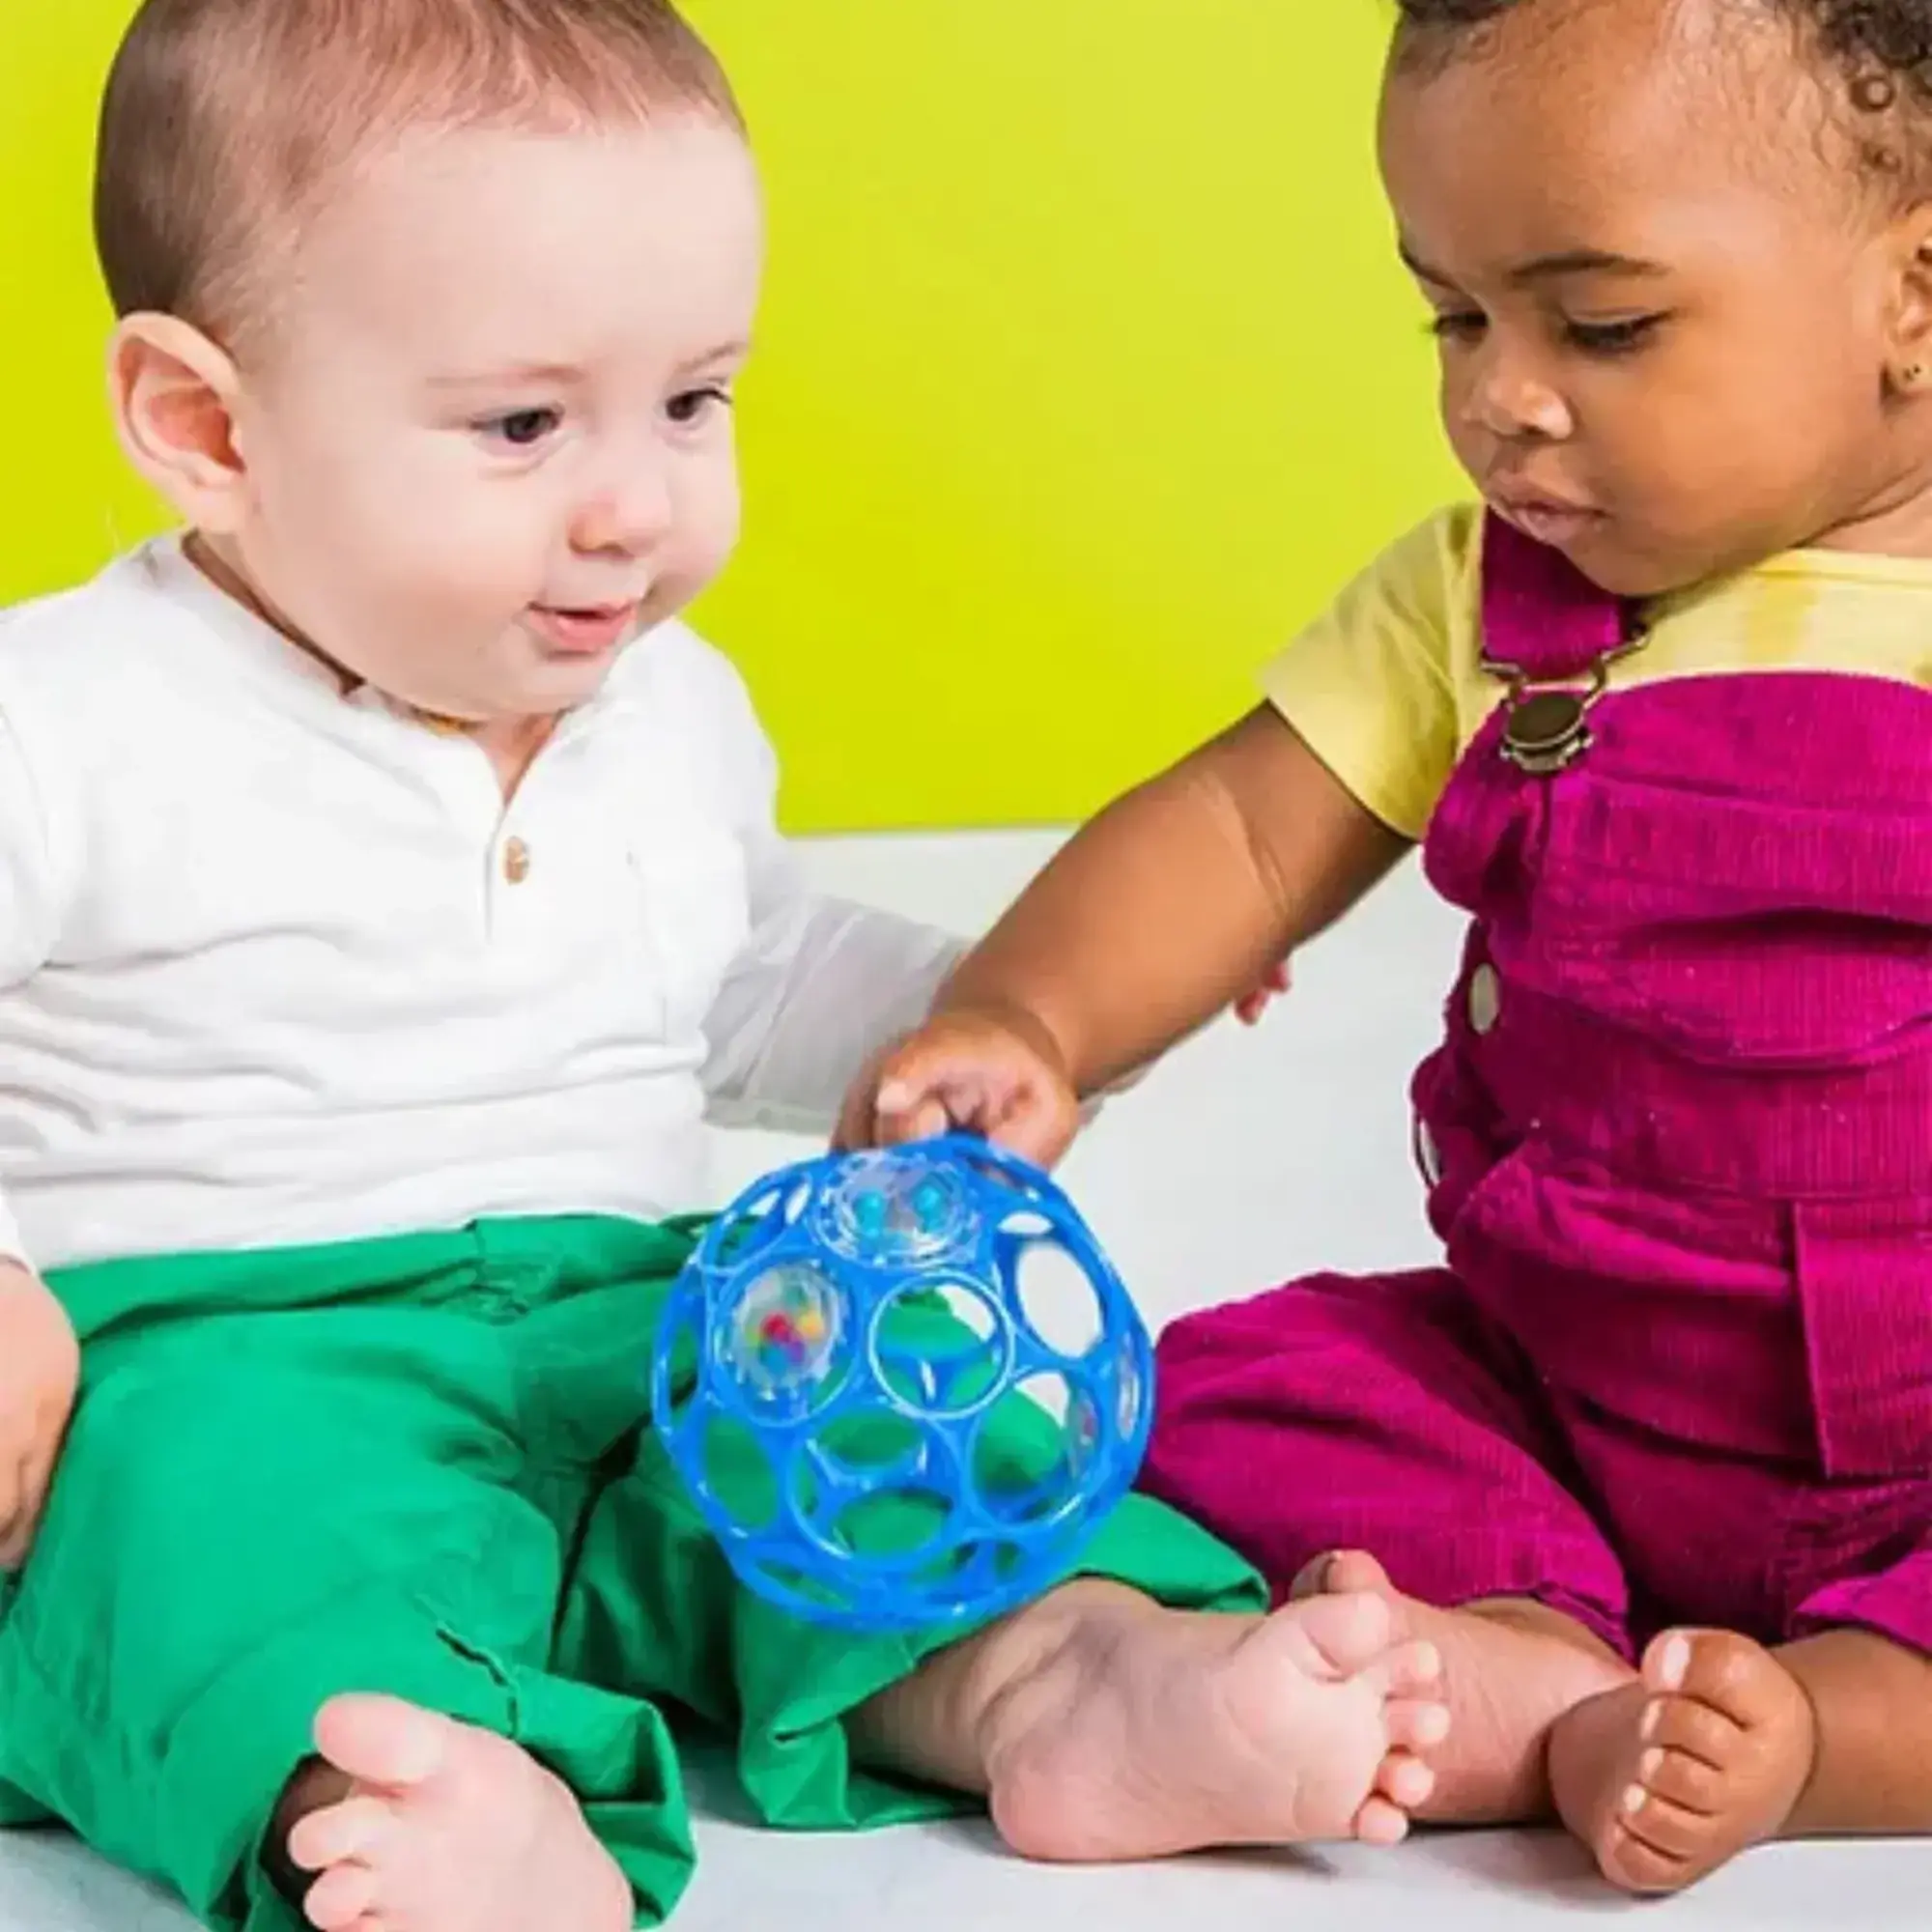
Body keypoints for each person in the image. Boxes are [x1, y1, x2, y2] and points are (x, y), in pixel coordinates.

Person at [0, 4, 1449, 1928]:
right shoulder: (70, 722)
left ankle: (1072, 1675)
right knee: (201, 1536)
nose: (637, 506)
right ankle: (409, 1799)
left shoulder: (665, 705)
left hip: (646, 1327)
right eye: (524, 425)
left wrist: (993, 1018)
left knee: (887, 1416)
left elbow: (739, 979)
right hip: (236, 1343)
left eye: (691, 402)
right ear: (210, 427)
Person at [845, 0, 1932, 1896]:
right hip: (1562, 1392)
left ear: (1913, 292)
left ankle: (1814, 1734)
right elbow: (1240, 828)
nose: (1505, 398)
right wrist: (1030, 1015)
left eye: (1602, 325)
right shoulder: (1490, 613)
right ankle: (1514, 1656)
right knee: (1240, 1386)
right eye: (1454, 317)